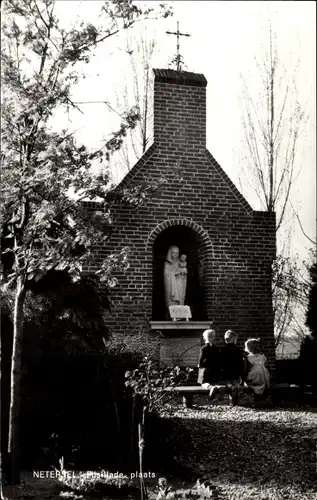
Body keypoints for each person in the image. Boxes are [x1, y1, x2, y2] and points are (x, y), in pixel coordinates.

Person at [218, 330, 244, 405]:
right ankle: (237, 386)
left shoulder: (222, 350)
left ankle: (231, 387)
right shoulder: (238, 350)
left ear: (226, 340)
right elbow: (241, 364)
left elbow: (220, 364)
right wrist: (241, 375)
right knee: (235, 381)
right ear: (234, 340)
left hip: (225, 374)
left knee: (227, 382)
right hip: (236, 374)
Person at [197, 329, 221, 398]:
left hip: (206, 369)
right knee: (213, 382)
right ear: (214, 337)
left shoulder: (203, 348)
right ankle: (217, 388)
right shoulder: (216, 348)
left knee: (204, 383)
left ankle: (211, 388)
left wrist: (199, 364)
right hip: (214, 369)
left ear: (204, 338)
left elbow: (201, 358)